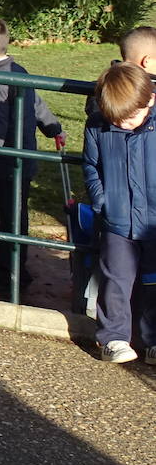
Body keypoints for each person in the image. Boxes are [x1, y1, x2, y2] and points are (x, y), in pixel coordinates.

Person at [0, 18, 65, 296]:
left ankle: (4, 279)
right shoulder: (17, 69)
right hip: (22, 161)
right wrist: (53, 128)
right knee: (15, 217)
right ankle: (16, 271)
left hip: (2, 165)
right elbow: (37, 104)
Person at [82, 62, 156, 365]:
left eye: (132, 116)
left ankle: (151, 340)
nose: (125, 124)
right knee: (116, 279)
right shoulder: (99, 126)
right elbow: (91, 165)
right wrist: (103, 201)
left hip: (153, 220)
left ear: (150, 100)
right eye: (119, 118)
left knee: (153, 281)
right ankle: (113, 337)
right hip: (118, 220)